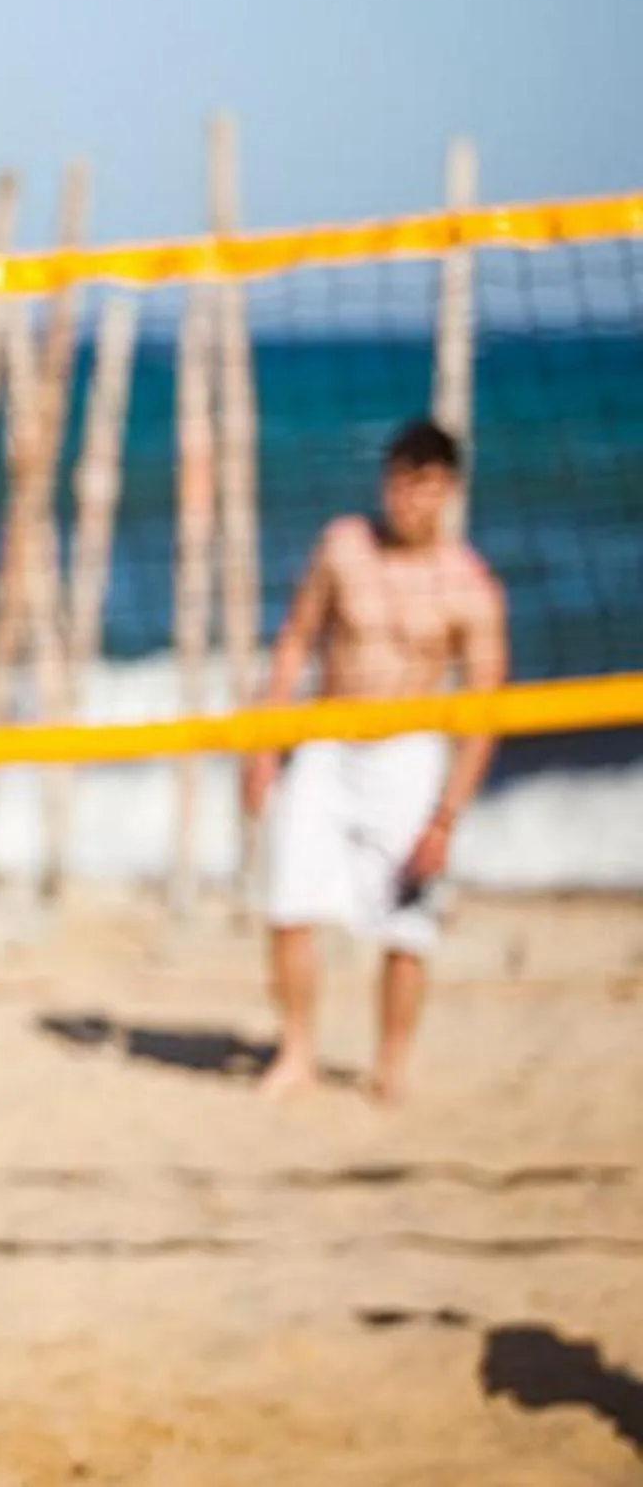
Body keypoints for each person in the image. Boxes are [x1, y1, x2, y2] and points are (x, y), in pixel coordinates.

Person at [243, 417, 507, 1104]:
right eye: (397, 484)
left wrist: (446, 819)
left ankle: (391, 1066)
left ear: (447, 490)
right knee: (290, 903)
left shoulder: (469, 587)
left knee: (406, 925)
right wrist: (266, 746)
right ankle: (297, 1052)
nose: (405, 500)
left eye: (421, 488)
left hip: (409, 753)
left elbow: (482, 717)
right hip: (330, 736)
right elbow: (296, 640)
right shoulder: (344, 547)